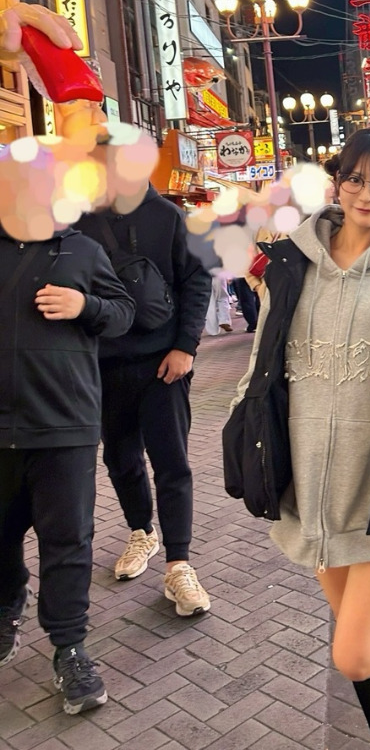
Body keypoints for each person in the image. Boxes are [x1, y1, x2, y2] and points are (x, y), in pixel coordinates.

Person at [230, 128, 370, 749]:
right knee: (359, 633)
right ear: (337, 183)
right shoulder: (292, 264)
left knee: (356, 653)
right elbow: (263, 355)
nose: (367, 193)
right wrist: (244, 417)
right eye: (355, 178)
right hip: (311, 476)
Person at [0, 216, 135, 714]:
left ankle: (69, 647)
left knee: (67, 540)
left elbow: (124, 313)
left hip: (65, 422)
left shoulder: (83, 250)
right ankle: (7, 603)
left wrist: (86, 305)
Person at [75, 181, 213, 616]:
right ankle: (141, 532)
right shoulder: (80, 220)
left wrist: (186, 347)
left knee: (171, 462)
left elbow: (197, 280)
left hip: (163, 363)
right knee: (120, 459)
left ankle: (179, 564)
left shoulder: (168, 216)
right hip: (104, 365)